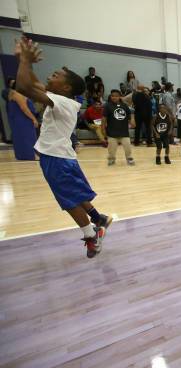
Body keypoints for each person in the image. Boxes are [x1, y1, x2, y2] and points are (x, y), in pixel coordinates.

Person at [15, 36, 111, 257]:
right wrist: (25, 60)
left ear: (66, 87)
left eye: (56, 75)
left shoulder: (62, 101)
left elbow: (23, 86)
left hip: (56, 158)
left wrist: (23, 62)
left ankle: (91, 235)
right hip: (59, 156)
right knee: (74, 193)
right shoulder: (59, 98)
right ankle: (99, 219)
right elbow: (33, 83)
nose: (50, 76)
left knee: (68, 200)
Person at [6, 77, 38, 160]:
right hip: (22, 119)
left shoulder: (13, 93)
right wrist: (34, 119)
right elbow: (24, 108)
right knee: (28, 136)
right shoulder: (17, 94)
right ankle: (30, 155)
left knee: (21, 137)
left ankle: (23, 155)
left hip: (19, 119)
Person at [103, 89, 135, 166]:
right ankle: (111, 159)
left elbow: (129, 116)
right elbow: (104, 119)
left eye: (116, 96)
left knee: (128, 147)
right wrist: (103, 129)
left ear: (120, 97)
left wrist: (132, 122)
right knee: (111, 149)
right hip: (111, 132)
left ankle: (129, 159)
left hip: (124, 132)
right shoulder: (107, 106)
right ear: (110, 97)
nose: (114, 97)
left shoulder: (124, 106)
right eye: (112, 96)